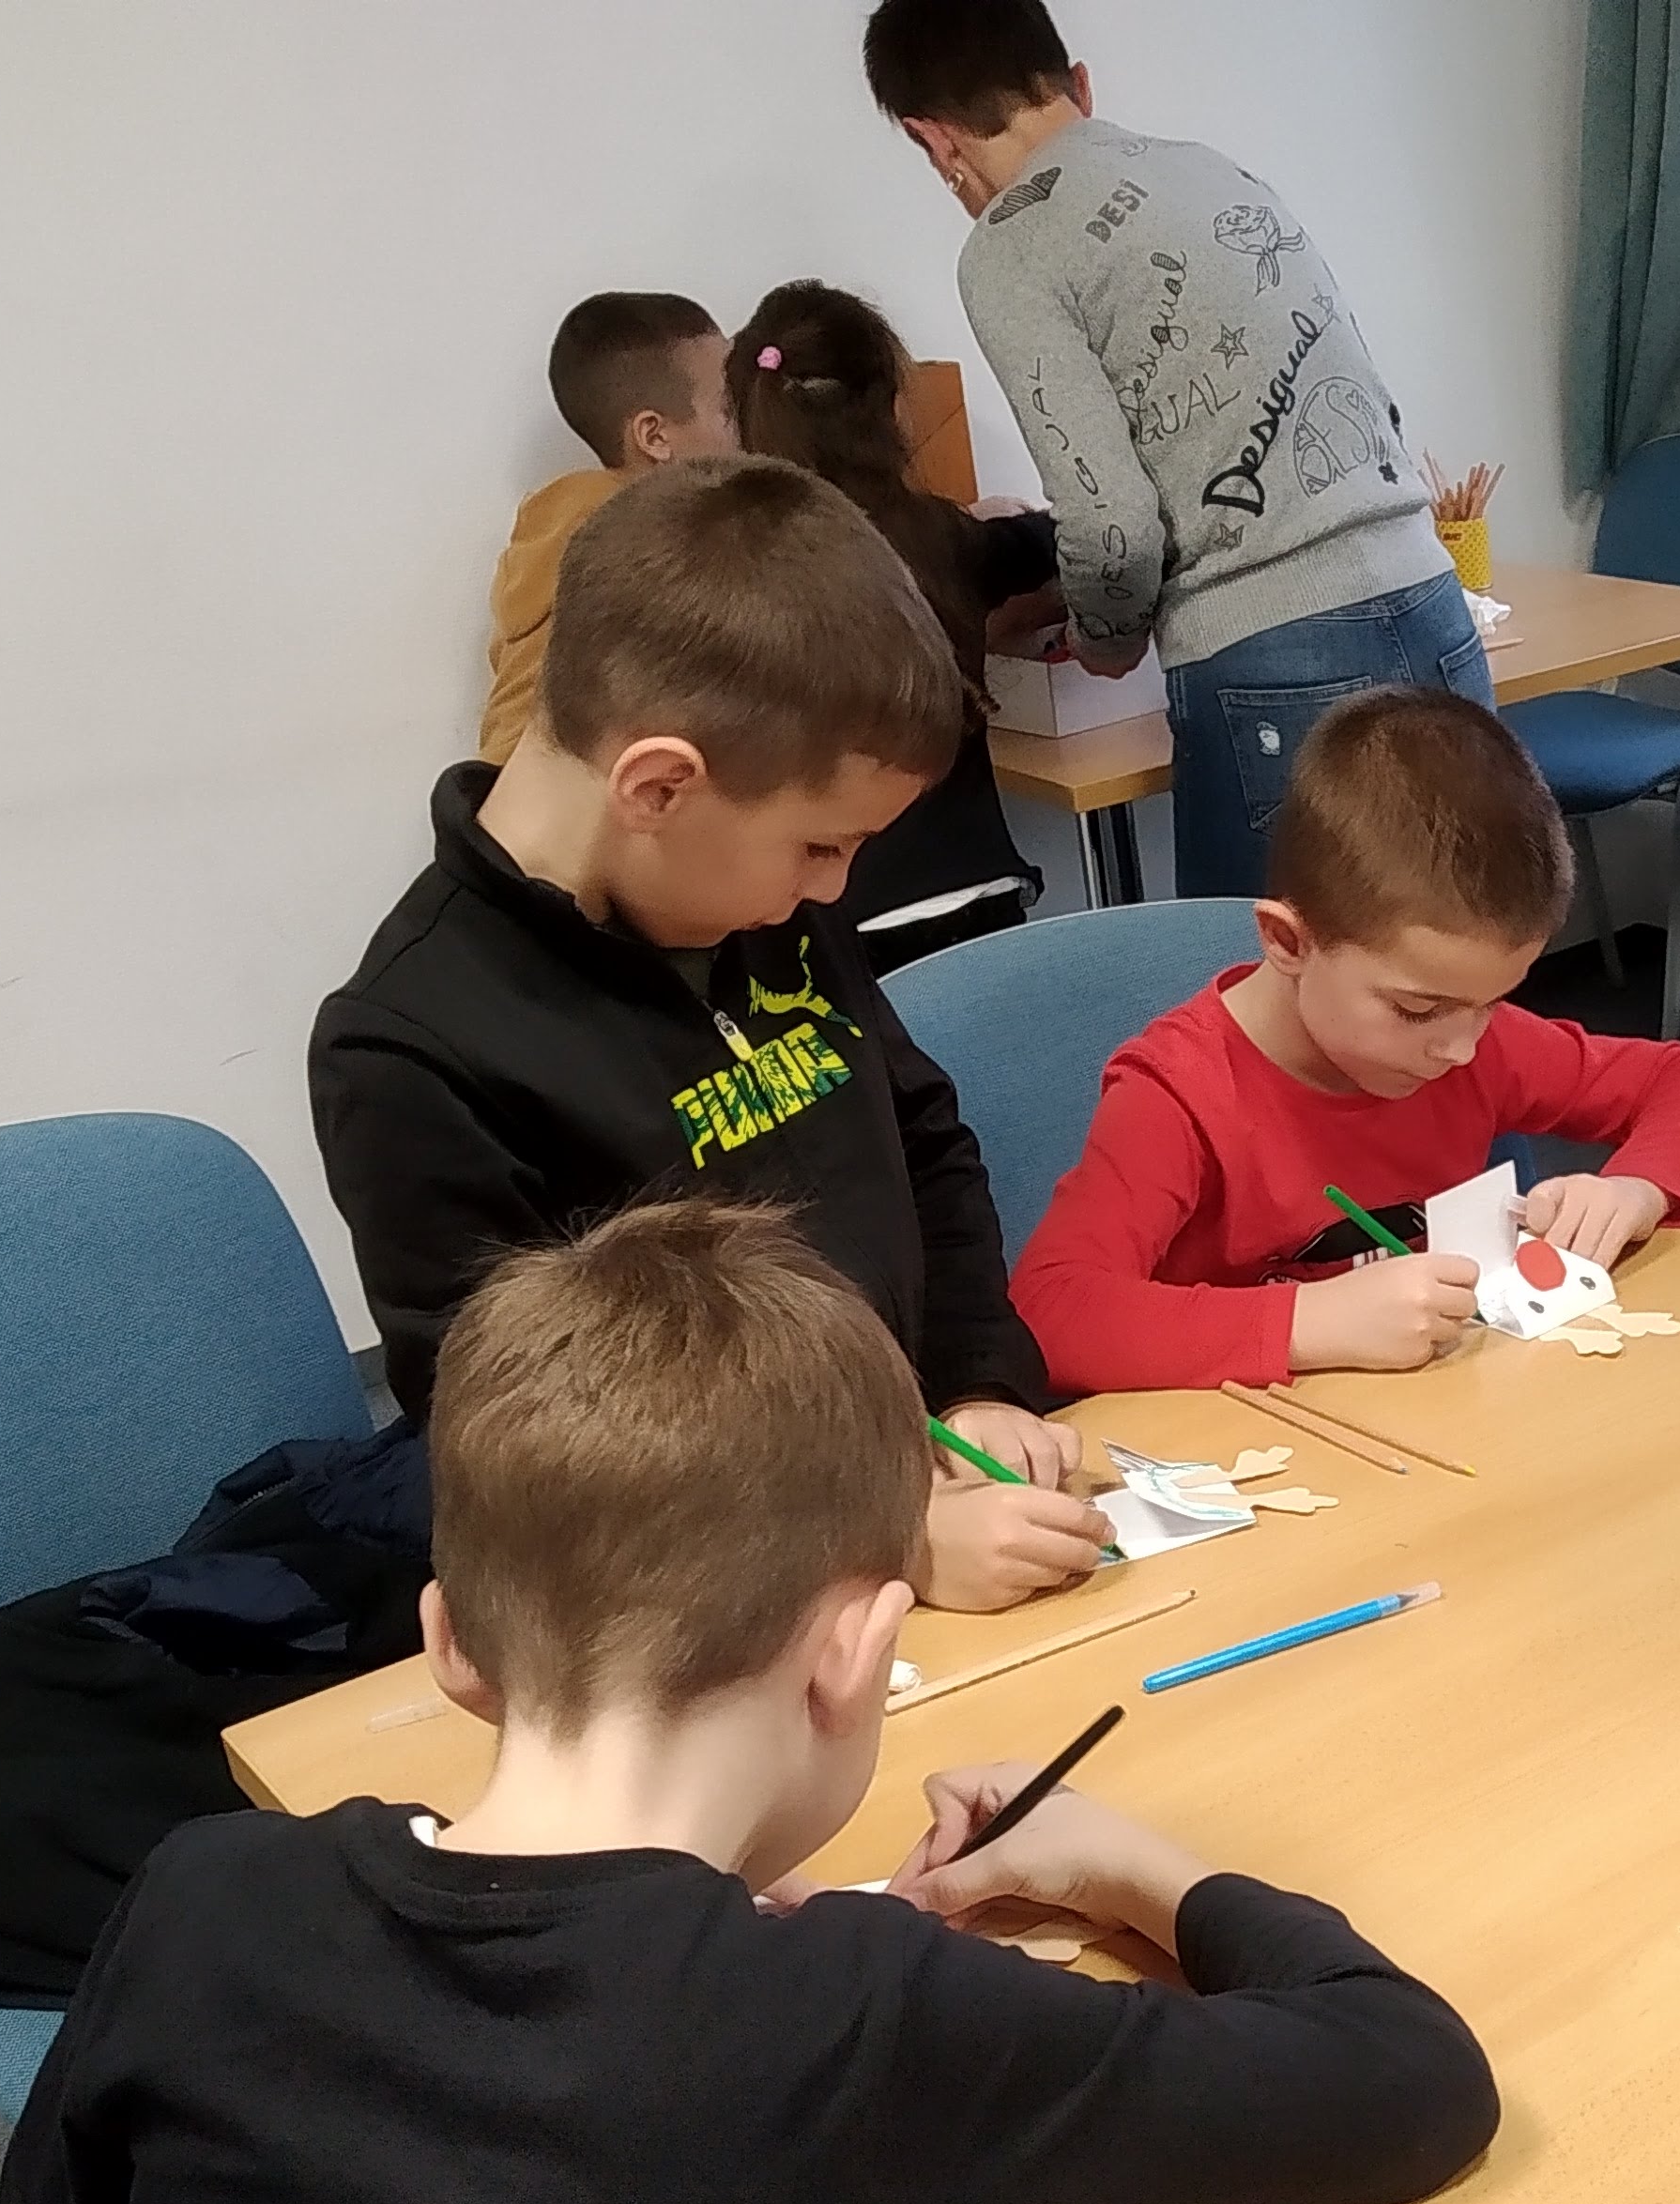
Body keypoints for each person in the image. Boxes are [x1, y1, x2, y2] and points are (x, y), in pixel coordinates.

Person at [0, 1197, 1501, 2204]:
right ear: (857, 1653)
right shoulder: (849, 2020)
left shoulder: (212, 1891)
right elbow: (1412, 2081)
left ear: (451, 1646)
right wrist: (1131, 1868)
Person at [315, 454, 1104, 1611]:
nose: (833, 890)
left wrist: (977, 1385)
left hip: (911, 1505)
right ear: (657, 788)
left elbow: (923, 1143)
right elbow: (541, 1465)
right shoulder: (409, 1052)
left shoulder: (754, 904)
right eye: (820, 846)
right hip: (728, 1602)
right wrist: (880, 1539)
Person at [863, 0, 1490, 896]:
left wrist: (1103, 638)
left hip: (1273, 652)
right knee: (1453, 943)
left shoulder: (1008, 245)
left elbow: (1114, 528)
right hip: (1431, 601)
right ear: (1079, 85)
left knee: (1257, 967)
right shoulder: (1210, 168)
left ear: (932, 139)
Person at [1012, 688, 1680, 1395]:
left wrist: (1635, 1190)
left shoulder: (1469, 1039)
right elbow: (1049, 1314)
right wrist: (1306, 1323)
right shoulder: (1178, 1098)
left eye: (1494, 1002)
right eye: (1416, 1009)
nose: (1461, 1048)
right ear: (1287, 941)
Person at [727, 278, 1056, 967]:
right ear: (890, 408)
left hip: (832, 919)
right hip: (976, 891)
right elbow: (1070, 540)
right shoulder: (942, 537)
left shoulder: (739, 571)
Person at [481, 291, 738, 762]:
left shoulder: (550, 533)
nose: (749, 422)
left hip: (493, 792)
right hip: (572, 798)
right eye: (730, 409)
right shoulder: (648, 542)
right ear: (654, 437)